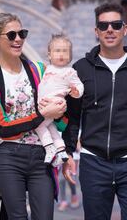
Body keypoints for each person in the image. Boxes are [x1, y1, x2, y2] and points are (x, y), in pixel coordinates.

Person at [62, 2, 127, 220]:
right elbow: (72, 116)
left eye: (116, 24)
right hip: (94, 162)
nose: (110, 29)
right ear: (96, 31)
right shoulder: (81, 69)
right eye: (103, 25)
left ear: (125, 29)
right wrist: (68, 152)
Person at [0, 13, 66, 220]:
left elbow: (59, 106)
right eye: (11, 35)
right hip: (9, 157)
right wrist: (42, 115)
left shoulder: (39, 69)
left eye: (22, 33)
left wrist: (62, 110)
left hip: (41, 155)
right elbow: (2, 127)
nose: (18, 39)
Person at [35, 33, 83, 166]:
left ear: (70, 56)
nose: (61, 54)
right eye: (57, 51)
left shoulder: (69, 72)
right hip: (44, 105)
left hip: (55, 104)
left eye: (65, 51)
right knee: (51, 128)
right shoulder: (47, 69)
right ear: (49, 55)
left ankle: (49, 147)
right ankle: (61, 151)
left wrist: (76, 92)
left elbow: (79, 85)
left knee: (38, 125)